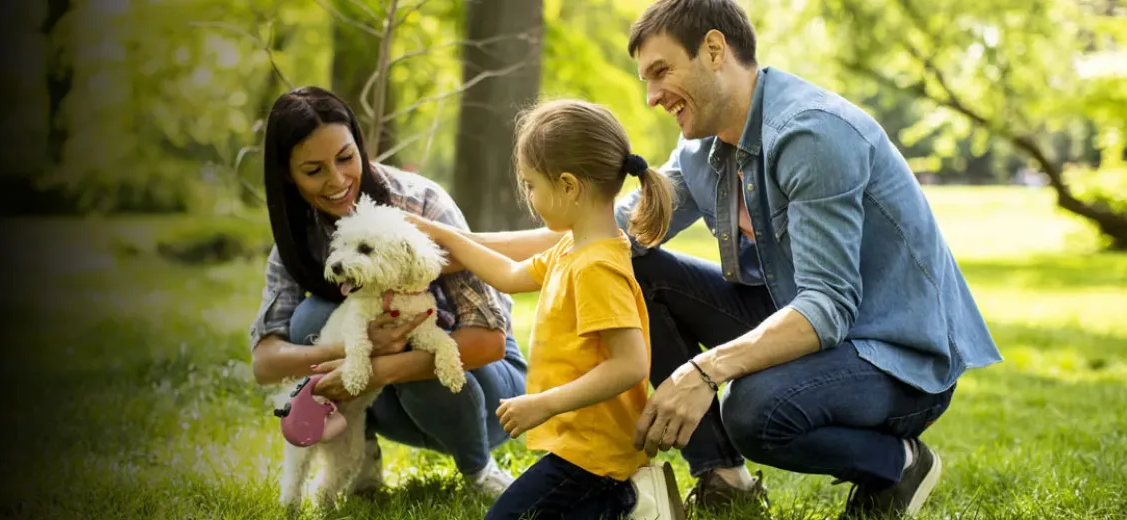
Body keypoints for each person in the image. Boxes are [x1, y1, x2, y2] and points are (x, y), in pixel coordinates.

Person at [453, 1, 1004, 517]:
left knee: (754, 410)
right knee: (638, 265)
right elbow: (598, 233)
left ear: (714, 51)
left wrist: (702, 370)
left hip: (895, 355)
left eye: (661, 71)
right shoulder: (704, 147)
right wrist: (444, 244)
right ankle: (722, 477)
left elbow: (828, 307)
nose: (651, 96)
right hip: (812, 326)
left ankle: (899, 464)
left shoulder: (811, 135)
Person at [406, 98, 683, 520]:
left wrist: (545, 403)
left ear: (569, 186)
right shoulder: (572, 248)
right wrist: (445, 234)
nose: (529, 196)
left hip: (593, 456)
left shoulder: (596, 268)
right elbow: (510, 274)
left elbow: (630, 364)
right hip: (578, 448)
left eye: (532, 184)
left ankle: (629, 504)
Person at [248, 86, 526, 497]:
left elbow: (489, 343)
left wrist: (377, 364)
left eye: (346, 158)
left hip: (484, 395)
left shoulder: (421, 205)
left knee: (417, 340)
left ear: (360, 147)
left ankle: (480, 472)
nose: (337, 180)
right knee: (312, 318)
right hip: (394, 405)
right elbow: (265, 363)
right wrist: (347, 354)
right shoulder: (298, 237)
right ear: (289, 174)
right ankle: (360, 462)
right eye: (314, 170)